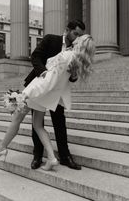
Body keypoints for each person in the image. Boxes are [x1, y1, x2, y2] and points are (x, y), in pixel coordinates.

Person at [0, 33, 95, 171]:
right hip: (46, 96)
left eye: (79, 38)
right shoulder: (75, 62)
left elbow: (48, 80)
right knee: (37, 125)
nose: (76, 38)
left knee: (16, 118)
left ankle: (2, 148)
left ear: (80, 44)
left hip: (38, 92)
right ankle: (51, 158)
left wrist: (25, 94)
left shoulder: (65, 57)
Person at [25, 20, 85, 170]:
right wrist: (43, 73)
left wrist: (74, 74)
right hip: (42, 85)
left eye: (80, 35)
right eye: (75, 33)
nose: (77, 38)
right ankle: (37, 156)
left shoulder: (76, 51)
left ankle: (65, 157)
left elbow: (72, 77)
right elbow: (35, 56)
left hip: (57, 92)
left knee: (59, 122)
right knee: (37, 123)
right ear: (67, 30)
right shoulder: (51, 39)